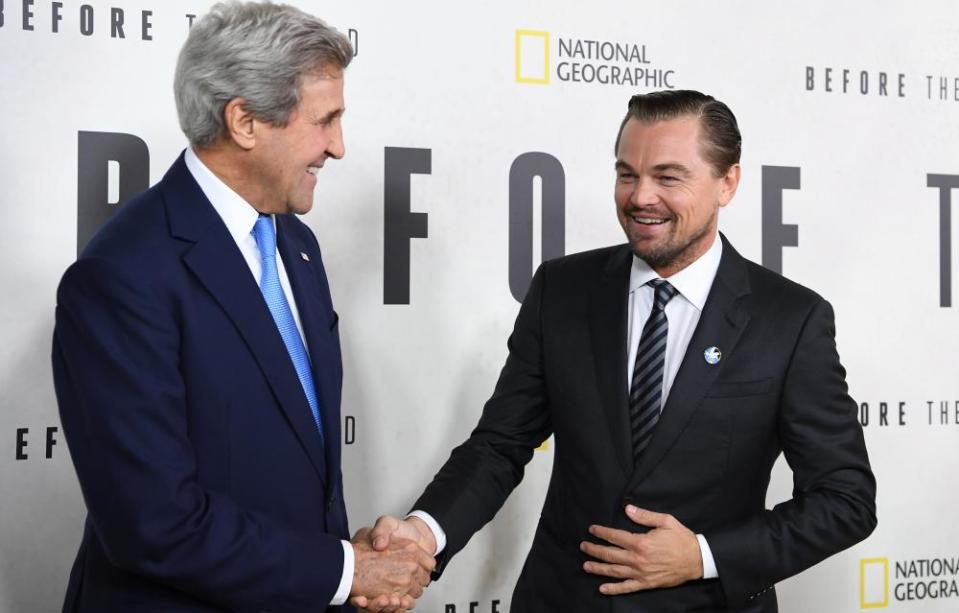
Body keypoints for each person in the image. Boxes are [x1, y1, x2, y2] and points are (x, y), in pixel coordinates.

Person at [366, 90, 877, 612]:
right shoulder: (561, 290)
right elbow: (500, 445)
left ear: (728, 183)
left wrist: (703, 556)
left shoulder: (790, 321)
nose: (640, 197)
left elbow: (846, 501)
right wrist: (424, 533)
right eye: (627, 174)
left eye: (668, 177)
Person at [51, 2, 431, 611]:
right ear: (245, 122)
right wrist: (343, 570)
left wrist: (342, 559)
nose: (338, 147)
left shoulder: (296, 244)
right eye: (325, 120)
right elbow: (154, 524)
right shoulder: (121, 276)